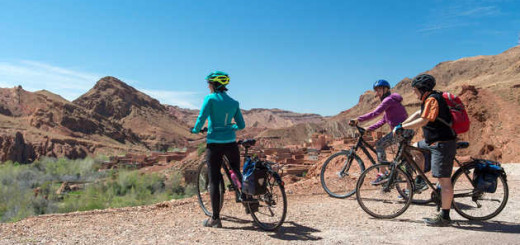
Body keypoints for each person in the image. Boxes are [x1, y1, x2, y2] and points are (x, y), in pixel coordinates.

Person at [393, 73, 457, 226]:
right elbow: (417, 114)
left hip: (442, 144)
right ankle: (421, 180)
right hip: (431, 142)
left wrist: (402, 127)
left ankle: (445, 217)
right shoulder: (428, 100)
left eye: (415, 90)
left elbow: (424, 120)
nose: (414, 93)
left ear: (423, 89)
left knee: (444, 180)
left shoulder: (433, 99)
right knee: (413, 148)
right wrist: (400, 125)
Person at [191, 71, 246, 228]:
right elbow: (241, 125)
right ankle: (246, 199)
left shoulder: (210, 99)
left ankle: (215, 219)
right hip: (231, 143)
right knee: (236, 171)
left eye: (209, 83)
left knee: (214, 178)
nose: (208, 86)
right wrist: (230, 127)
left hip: (215, 144)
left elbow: (201, 119)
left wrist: (195, 130)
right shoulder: (234, 102)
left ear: (214, 84)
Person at [350, 79, 409, 185]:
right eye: (376, 91)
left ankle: (383, 173)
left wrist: (358, 119)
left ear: (385, 89)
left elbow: (375, 113)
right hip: (404, 131)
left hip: (402, 131)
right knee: (403, 159)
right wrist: (369, 129)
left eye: (379, 90)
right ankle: (401, 180)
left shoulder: (389, 100)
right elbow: (383, 121)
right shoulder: (391, 102)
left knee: (380, 145)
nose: (377, 93)